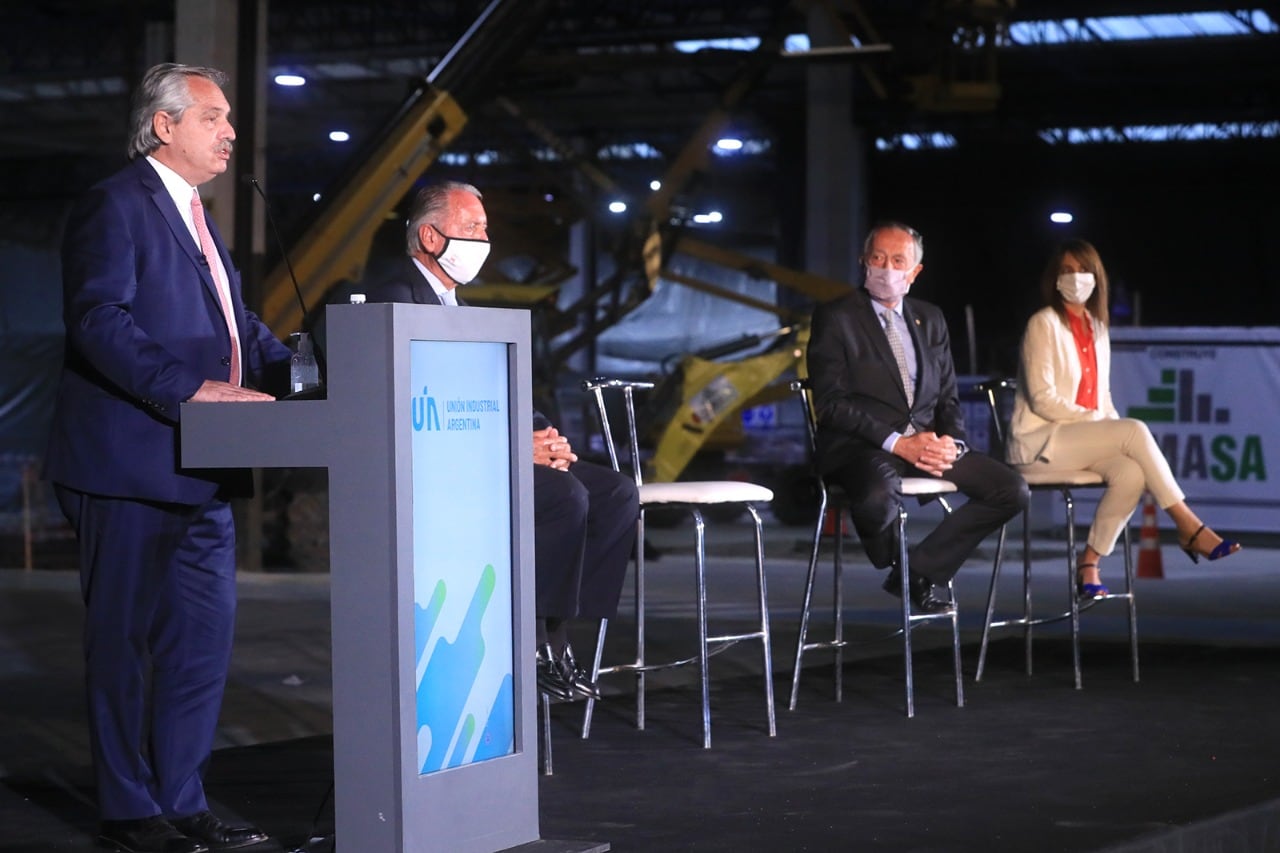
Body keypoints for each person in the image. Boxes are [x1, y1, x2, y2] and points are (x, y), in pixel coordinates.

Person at [44, 63, 287, 853]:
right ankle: (128, 809)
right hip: (127, 462)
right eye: (214, 117)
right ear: (164, 126)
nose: (231, 132)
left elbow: (239, 327)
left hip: (206, 472)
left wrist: (321, 368)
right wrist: (194, 391)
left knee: (198, 647)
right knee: (122, 646)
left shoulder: (200, 218)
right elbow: (100, 321)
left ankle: (183, 799)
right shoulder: (115, 205)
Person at [365, 181, 639, 701]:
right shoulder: (394, 298)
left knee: (616, 493)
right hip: (445, 464)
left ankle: (556, 636)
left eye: (485, 228)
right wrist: (517, 450)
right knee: (564, 497)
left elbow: (496, 384)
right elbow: (421, 407)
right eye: (472, 228)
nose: (484, 239)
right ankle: (528, 642)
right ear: (429, 235)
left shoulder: (457, 302)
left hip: (491, 448)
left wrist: (545, 437)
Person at [807, 221, 1029, 614]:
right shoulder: (836, 317)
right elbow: (831, 403)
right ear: (864, 261)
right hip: (864, 446)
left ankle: (914, 573)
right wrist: (898, 443)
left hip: (925, 444)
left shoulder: (931, 318)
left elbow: (947, 396)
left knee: (1010, 490)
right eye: (878, 258)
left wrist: (951, 443)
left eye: (897, 260)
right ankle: (909, 574)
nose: (886, 268)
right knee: (877, 497)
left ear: (915, 272)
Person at [1010, 239, 1240, 598]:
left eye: (1082, 270)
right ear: (1054, 279)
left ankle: (1089, 564)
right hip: (1042, 442)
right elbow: (1042, 400)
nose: (1075, 278)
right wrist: (1101, 422)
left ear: (1097, 278)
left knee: (1131, 472)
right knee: (1133, 429)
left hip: (1079, 439)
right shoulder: (1044, 323)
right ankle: (1187, 525)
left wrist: (1106, 423)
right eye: (1066, 271)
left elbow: (1103, 398)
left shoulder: (1097, 328)